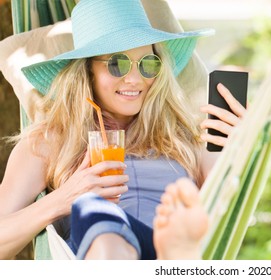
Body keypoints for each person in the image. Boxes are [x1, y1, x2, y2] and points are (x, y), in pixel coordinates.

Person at [0, 0, 246, 260]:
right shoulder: (50, 141)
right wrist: (61, 200)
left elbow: (224, 206)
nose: (135, 79)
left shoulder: (185, 135)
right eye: (118, 63)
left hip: (170, 249)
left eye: (148, 64)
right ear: (86, 70)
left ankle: (169, 252)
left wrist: (241, 148)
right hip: (105, 247)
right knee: (97, 214)